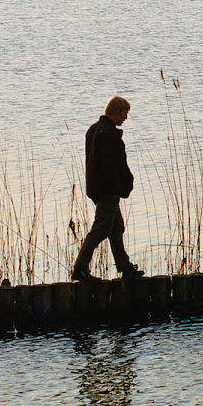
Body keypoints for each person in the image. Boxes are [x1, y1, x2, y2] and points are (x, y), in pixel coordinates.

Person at [72, 95, 143, 281]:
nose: (126, 118)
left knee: (115, 227)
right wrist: (119, 186)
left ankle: (125, 267)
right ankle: (80, 268)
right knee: (102, 228)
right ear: (116, 111)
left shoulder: (94, 129)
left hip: (99, 189)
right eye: (125, 113)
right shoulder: (107, 133)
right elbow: (111, 165)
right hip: (107, 190)